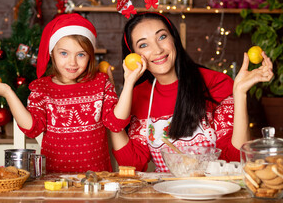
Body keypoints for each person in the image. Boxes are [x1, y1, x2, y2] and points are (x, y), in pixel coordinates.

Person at [110, 12, 274, 172]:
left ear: (174, 38)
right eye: (143, 45)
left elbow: (236, 159)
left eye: (162, 37)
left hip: (213, 190)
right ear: (134, 56)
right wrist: (111, 108)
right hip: (165, 193)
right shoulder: (138, 95)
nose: (158, 50)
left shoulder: (215, 83)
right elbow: (132, 164)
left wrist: (240, 93)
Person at [0, 13, 132, 173]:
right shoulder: (42, 89)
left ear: (90, 56)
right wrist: (8, 93)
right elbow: (32, 128)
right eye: (64, 53)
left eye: (81, 54)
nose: (72, 62)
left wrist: (129, 82)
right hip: (55, 180)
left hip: (96, 180)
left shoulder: (100, 82)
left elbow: (117, 123)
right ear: (52, 52)